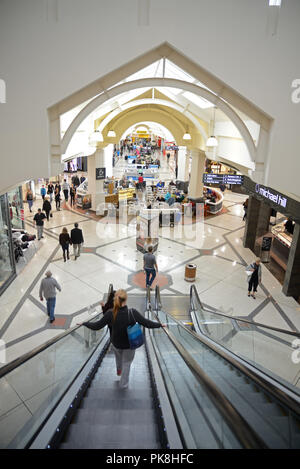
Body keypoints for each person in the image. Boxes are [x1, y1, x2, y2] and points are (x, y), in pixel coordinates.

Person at [80, 290, 162, 389]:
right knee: (127, 363)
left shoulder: (110, 314)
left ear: (115, 300)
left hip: (116, 343)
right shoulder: (133, 313)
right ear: (125, 300)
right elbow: (147, 323)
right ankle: (123, 384)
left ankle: (119, 369)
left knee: (118, 357)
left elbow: (97, 326)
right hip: (129, 345)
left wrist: (84, 323)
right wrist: (160, 325)